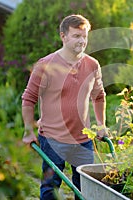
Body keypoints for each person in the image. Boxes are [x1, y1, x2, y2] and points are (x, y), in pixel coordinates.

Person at [21, 14, 107, 200]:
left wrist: (101, 124)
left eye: (84, 36)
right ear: (63, 36)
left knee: (85, 189)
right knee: (50, 189)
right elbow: (29, 99)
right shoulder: (45, 65)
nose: (82, 40)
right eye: (77, 36)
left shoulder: (92, 65)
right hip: (53, 139)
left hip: (83, 140)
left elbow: (99, 96)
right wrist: (29, 131)